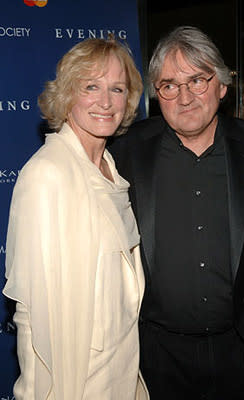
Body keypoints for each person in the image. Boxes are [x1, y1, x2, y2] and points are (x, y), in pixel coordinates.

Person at [109, 26, 244, 400]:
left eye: (197, 80)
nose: (184, 97)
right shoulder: (127, 153)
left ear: (221, 86)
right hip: (157, 358)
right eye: (169, 85)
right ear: (156, 94)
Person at [3, 38, 149, 400]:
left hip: (123, 366)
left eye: (117, 88)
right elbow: (30, 313)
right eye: (91, 87)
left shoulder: (111, 171)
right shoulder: (47, 175)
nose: (105, 101)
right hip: (77, 381)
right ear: (68, 94)